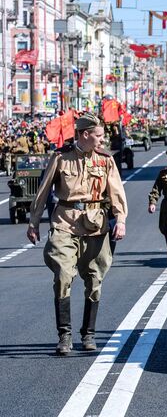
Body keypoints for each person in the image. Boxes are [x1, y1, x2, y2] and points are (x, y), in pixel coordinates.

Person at [26, 112, 128, 355]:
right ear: (85, 134)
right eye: (99, 136)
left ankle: (88, 333)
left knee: (94, 279)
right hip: (65, 222)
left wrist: (120, 220)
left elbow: (116, 192)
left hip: (95, 225)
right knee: (63, 275)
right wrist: (34, 222)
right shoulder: (61, 158)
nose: (103, 140)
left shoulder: (105, 160)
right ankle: (65, 335)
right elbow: (43, 192)